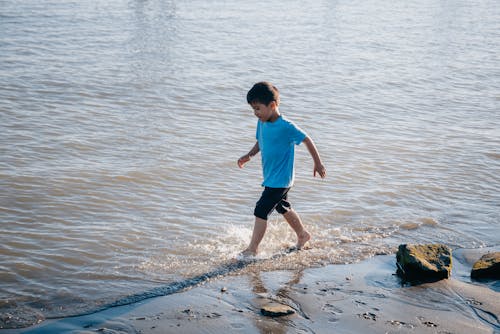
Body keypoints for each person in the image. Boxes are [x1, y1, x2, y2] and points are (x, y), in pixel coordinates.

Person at [237, 82, 326, 256]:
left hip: (281, 179)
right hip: (271, 176)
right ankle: (303, 234)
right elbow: (260, 141)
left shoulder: (286, 126)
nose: (255, 113)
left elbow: (307, 139)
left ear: (272, 105)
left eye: (258, 109)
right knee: (282, 207)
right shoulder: (262, 122)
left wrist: (318, 163)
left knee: (261, 210)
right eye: (253, 109)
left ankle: (252, 249)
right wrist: (249, 155)